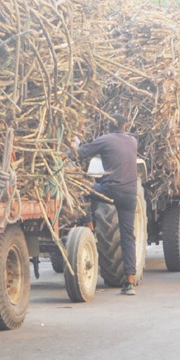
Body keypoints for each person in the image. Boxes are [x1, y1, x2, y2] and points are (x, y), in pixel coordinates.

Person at [75, 114, 141, 295]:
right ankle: (129, 282)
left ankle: (89, 226)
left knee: (80, 188)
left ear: (107, 127)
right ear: (125, 126)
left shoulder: (105, 140)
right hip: (130, 193)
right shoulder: (132, 142)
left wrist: (60, 156)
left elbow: (80, 153)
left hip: (111, 191)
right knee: (128, 235)